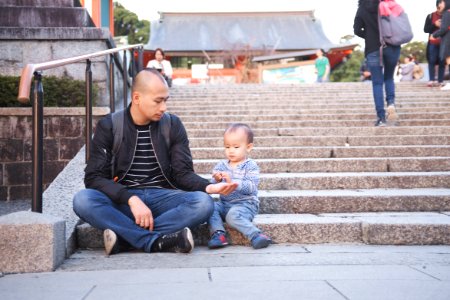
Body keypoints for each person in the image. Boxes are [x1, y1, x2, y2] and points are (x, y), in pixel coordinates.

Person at [73, 69, 238, 255]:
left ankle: (127, 239)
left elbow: (182, 173)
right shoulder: (110, 126)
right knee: (83, 200)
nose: (163, 108)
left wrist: (209, 187)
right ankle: (156, 241)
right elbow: (94, 178)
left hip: (163, 200)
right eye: (158, 101)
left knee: (203, 203)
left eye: (165, 100)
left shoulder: (172, 125)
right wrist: (131, 199)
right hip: (123, 201)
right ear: (136, 98)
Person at [207, 123, 272, 250]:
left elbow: (251, 187)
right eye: (227, 147)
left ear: (248, 147)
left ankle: (256, 235)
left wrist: (234, 183)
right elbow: (212, 185)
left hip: (245, 204)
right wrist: (216, 179)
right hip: (224, 204)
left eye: (236, 147)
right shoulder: (221, 165)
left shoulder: (250, 165)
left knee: (232, 216)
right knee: (209, 207)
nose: (231, 150)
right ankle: (218, 234)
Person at [353, 0, 400, 127]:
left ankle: (381, 118)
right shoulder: (388, 5)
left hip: (372, 47)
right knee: (389, 77)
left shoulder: (362, 7)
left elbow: (357, 30)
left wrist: (369, 36)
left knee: (377, 83)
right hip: (391, 46)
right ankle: (391, 103)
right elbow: (398, 24)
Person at [424, 0, 446, 87]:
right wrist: (435, 25)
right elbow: (426, 29)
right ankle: (431, 80)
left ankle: (440, 81)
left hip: (444, 43)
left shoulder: (447, 16)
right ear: (438, 5)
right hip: (433, 43)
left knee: (442, 62)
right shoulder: (430, 16)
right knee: (431, 61)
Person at [432, 0, 450, 90]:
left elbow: (443, 29)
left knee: (449, 61)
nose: (439, 4)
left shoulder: (447, 13)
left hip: (448, 41)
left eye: (441, 2)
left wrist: (434, 35)